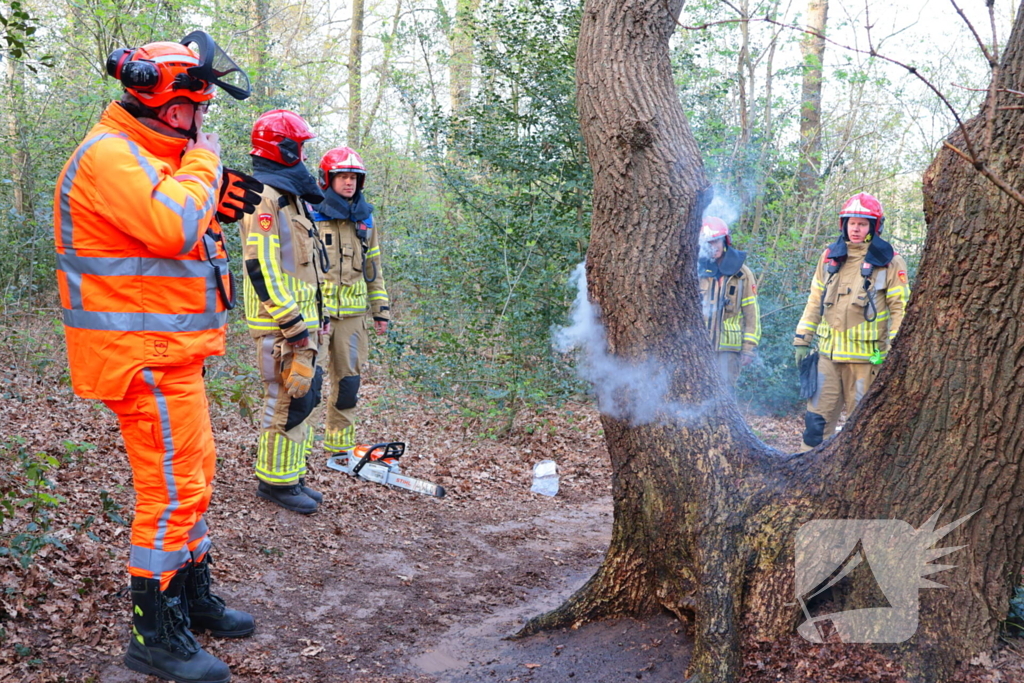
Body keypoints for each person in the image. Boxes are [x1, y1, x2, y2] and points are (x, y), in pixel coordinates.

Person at [54, 33, 257, 683]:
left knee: (193, 478)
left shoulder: (150, 157)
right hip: (140, 354)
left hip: (173, 351)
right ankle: (154, 634)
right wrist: (206, 167)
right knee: (169, 493)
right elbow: (170, 226)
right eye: (198, 108)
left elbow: (179, 235)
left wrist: (209, 188)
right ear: (172, 109)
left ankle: (191, 599)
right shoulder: (110, 156)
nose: (202, 122)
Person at [241, 109, 330, 515]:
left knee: (304, 398)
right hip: (278, 326)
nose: (305, 157)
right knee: (283, 401)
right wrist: (292, 325)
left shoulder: (290, 197)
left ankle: (291, 476)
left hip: (303, 325)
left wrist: (317, 316)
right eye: (301, 147)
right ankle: (273, 483)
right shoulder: (262, 195)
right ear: (283, 148)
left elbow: (307, 266)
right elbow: (261, 266)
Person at [793, 193, 910, 450]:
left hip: (865, 362)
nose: (856, 229)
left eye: (863, 223)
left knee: (863, 432)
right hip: (827, 359)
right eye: (852, 223)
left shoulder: (889, 262)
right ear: (843, 224)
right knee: (815, 427)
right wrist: (802, 339)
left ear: (875, 226)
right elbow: (814, 301)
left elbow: (900, 309)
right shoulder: (829, 258)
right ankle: (805, 478)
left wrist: (895, 352)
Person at [311, 147, 391, 460]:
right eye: (342, 176)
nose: (349, 183)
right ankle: (299, 452)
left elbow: (374, 269)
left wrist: (380, 311)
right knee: (309, 385)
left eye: (354, 177)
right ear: (327, 179)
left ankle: (339, 450)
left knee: (349, 386)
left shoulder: (365, 219)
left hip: (354, 317)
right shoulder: (310, 211)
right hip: (317, 315)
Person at [698, 216, 760, 387]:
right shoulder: (697, 270)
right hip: (699, 348)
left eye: (716, 241)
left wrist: (748, 348)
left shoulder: (742, 274)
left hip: (729, 351)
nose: (713, 246)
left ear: (725, 240)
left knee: (725, 397)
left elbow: (752, 314)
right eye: (708, 242)